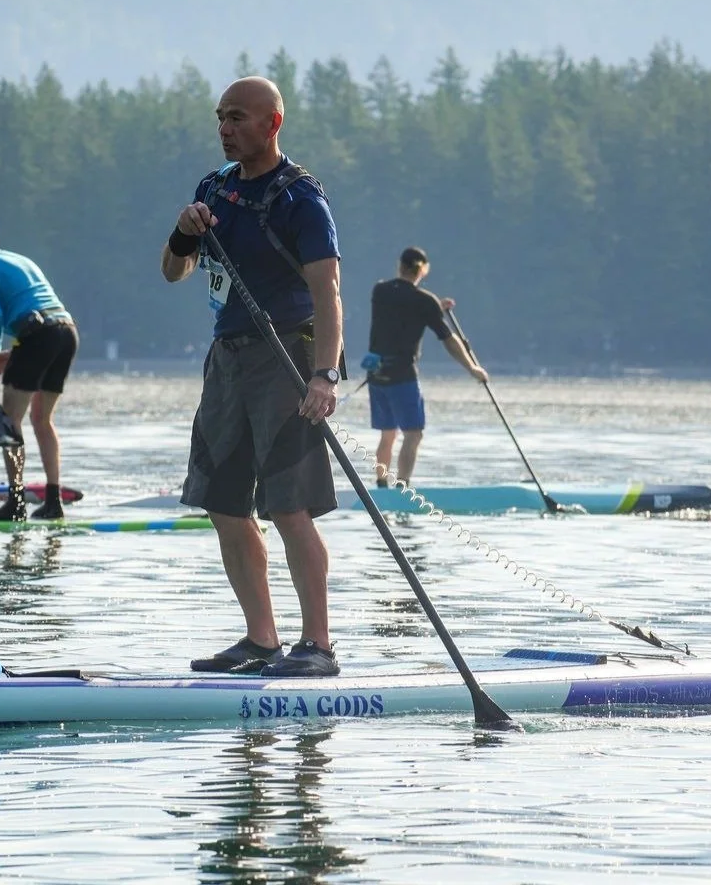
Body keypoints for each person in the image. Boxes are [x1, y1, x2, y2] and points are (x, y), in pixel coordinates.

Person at [161, 76, 343, 678]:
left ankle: (317, 644)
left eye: (237, 117)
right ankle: (261, 640)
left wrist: (325, 376)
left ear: (272, 124)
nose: (225, 128)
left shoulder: (300, 199)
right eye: (220, 117)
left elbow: (328, 291)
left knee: (290, 509)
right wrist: (183, 232)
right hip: (227, 360)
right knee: (223, 504)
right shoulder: (212, 189)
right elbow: (173, 273)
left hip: (287, 357)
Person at [0, 216, 78, 521]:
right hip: (66, 332)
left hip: (38, 337)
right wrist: (13, 354)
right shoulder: (19, 259)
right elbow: (38, 314)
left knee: (9, 422)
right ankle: (53, 501)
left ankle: (16, 502)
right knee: (42, 420)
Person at [363, 246, 488, 487]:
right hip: (402, 377)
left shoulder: (380, 291)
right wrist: (473, 368)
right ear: (424, 270)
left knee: (387, 434)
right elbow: (449, 340)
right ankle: (403, 487)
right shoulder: (424, 301)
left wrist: (434, 309)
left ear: (399, 265)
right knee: (413, 433)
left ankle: (380, 485)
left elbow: (400, 312)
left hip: (376, 374)